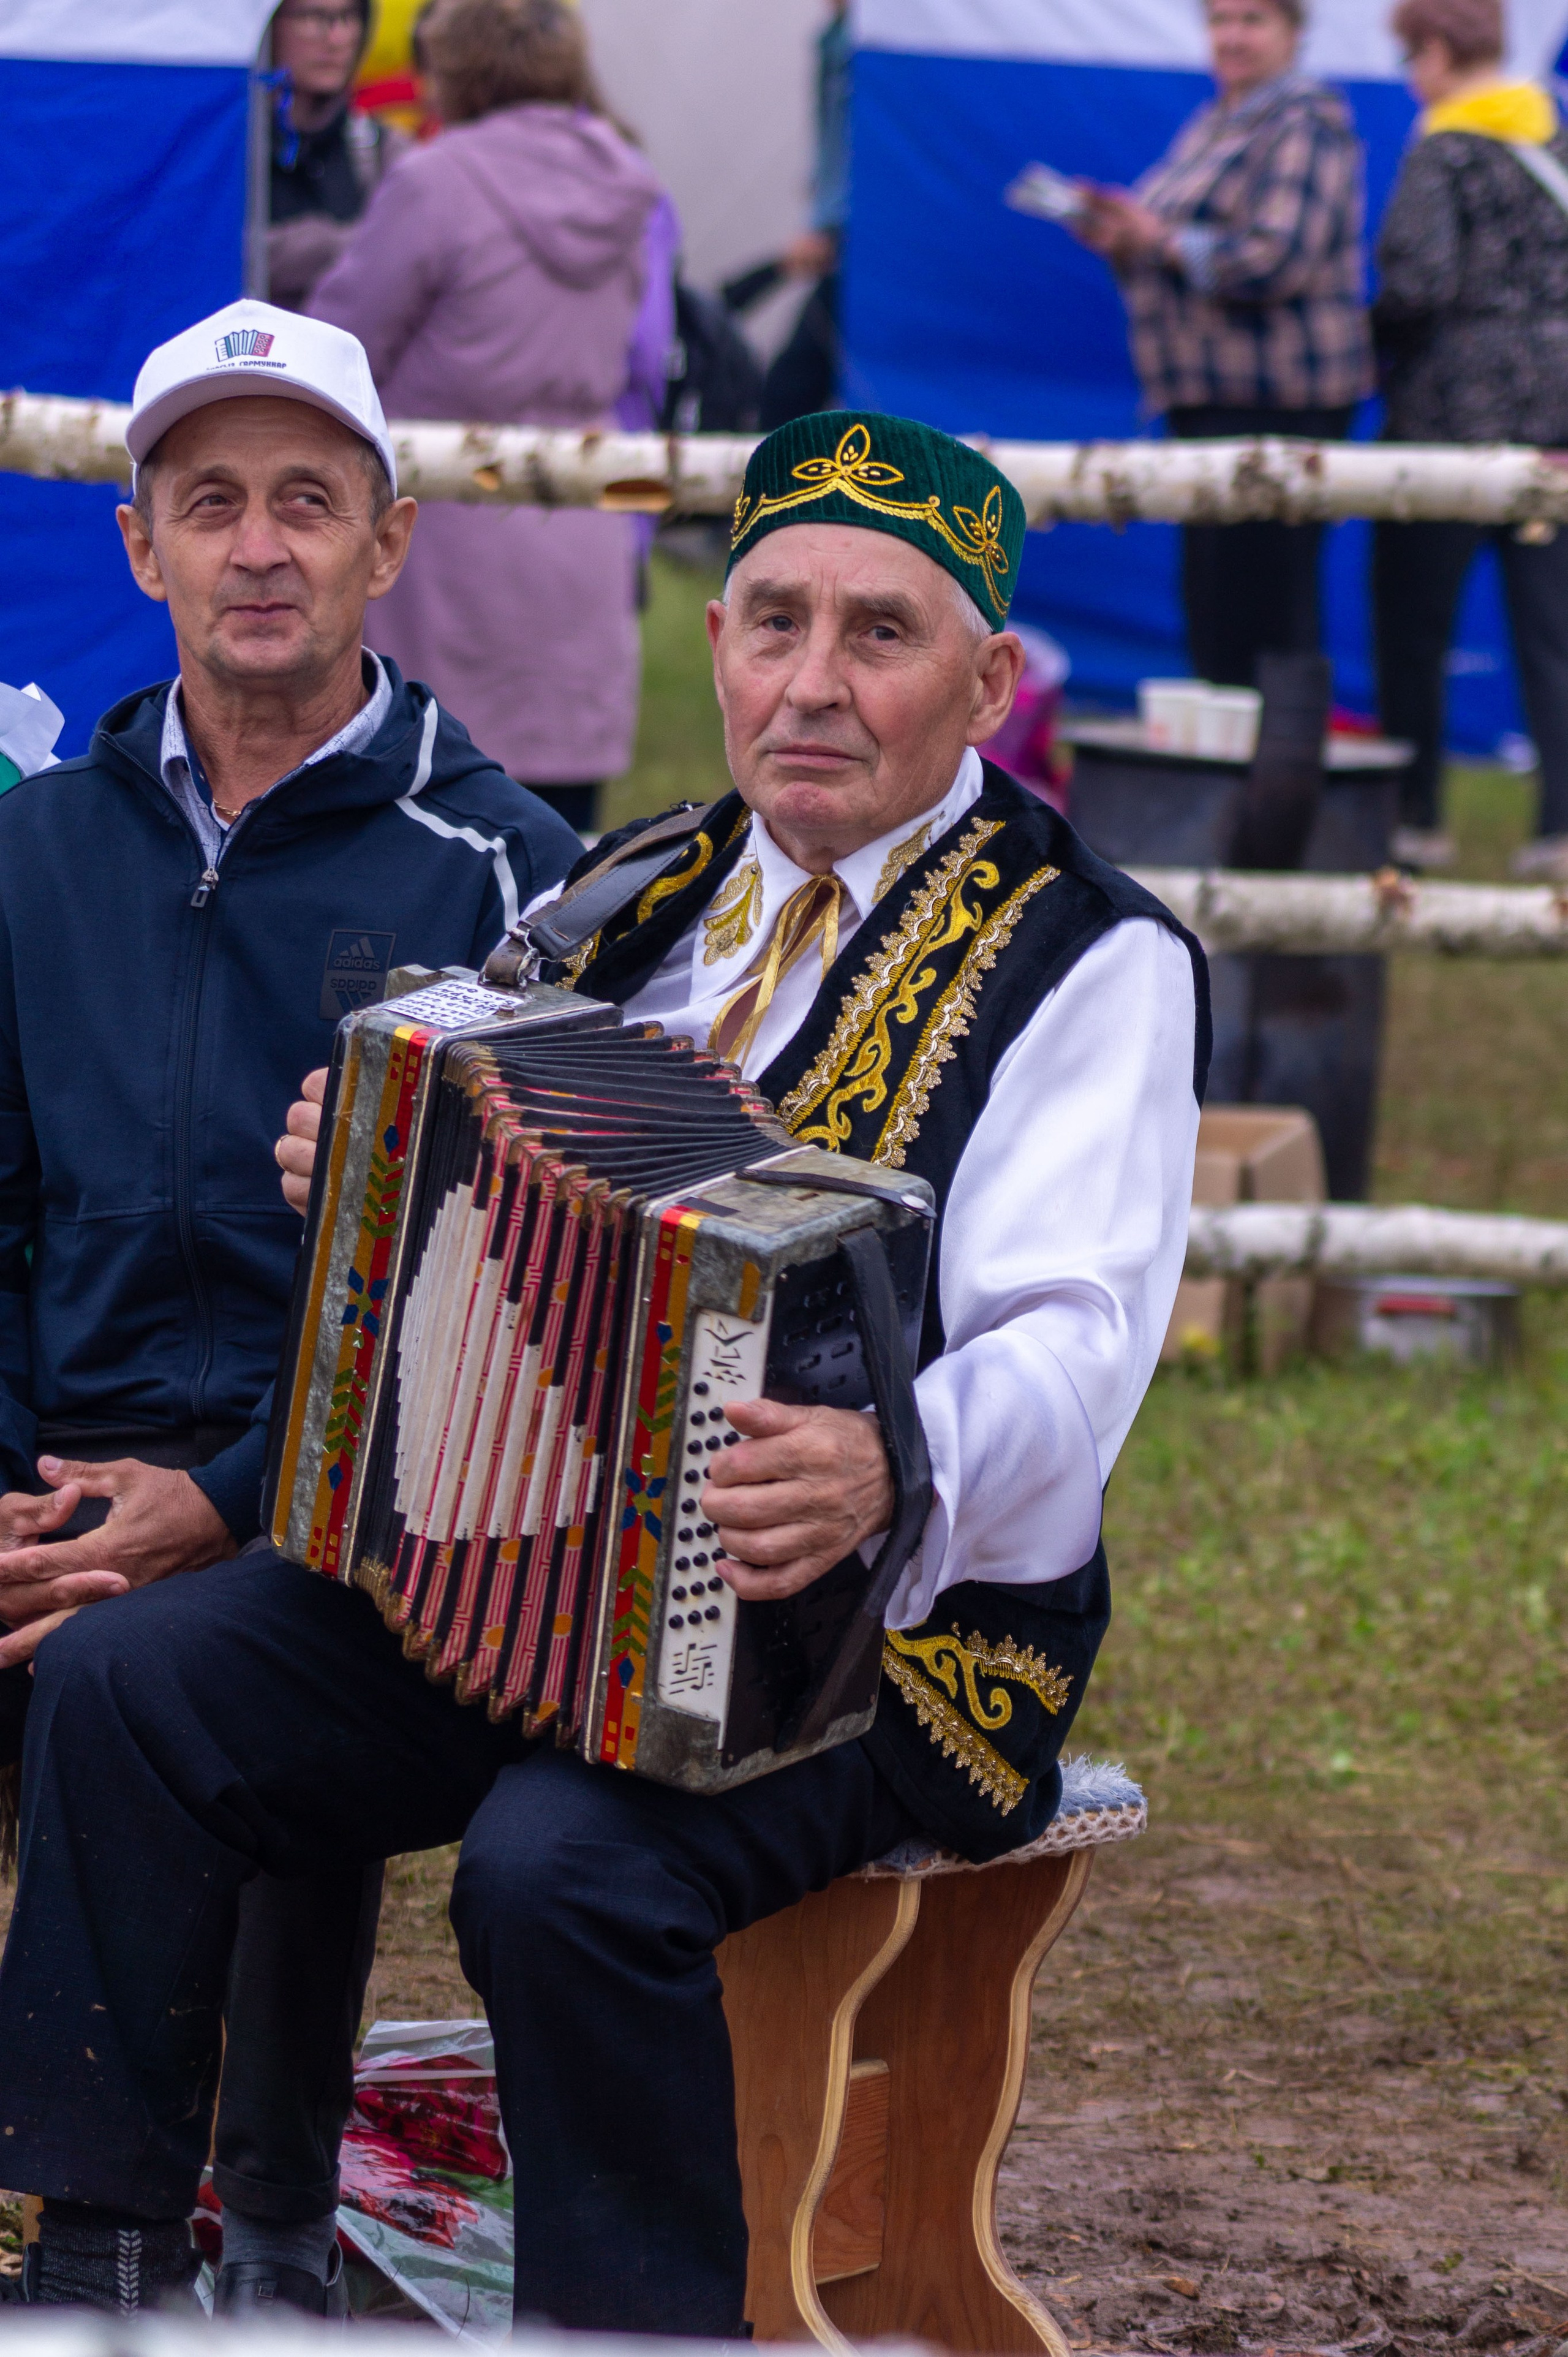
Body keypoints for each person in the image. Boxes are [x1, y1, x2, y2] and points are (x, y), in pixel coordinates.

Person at [1, 408, 1207, 2328]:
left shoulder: (1085, 957)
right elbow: (478, 1187)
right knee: (138, 1683)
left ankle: (629, 2326)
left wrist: (890, 1459)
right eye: (776, 624)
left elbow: (1072, 1350)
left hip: (886, 1645)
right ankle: (109, 2266)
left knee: (559, 1866)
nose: (813, 684)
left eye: (878, 636)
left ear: (984, 679)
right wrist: (364, 1166)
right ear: (712, 637)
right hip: (540, 1578)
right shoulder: (634, 896)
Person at [0, 295, 579, 2313]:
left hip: (366, 1521)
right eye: (213, 500)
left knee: (190, 1650)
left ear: (387, 544)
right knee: (112, 1630)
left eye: (308, 502)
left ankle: (184, 2238)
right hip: (55, 1473)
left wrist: (230, 1490)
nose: (261, 545)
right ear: (140, 543)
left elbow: (517, 1314)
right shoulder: (32, 849)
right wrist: (23, 1486)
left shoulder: (511, 878)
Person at [310, 0, 666, 839]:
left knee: (422, 846)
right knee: (555, 862)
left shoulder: (435, 180)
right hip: (582, 524)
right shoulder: (628, 179)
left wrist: (299, 257)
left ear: (457, 69)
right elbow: (647, 351)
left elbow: (339, 346)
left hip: (451, 536)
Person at [1070, 0, 1373, 688]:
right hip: (1206, 397)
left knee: (1267, 611)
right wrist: (1123, 237)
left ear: (1294, 33)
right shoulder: (1217, 119)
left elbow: (1277, 258)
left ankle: (1286, 780)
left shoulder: (1306, 119)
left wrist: (1159, 240)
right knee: (1215, 607)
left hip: (1280, 403)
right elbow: (1176, 247)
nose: (1231, 36)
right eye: (1220, 20)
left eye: (1252, 20)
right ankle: (1234, 774)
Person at [1372, 0, 1568, 878]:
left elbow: (1418, 281)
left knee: (1415, 627)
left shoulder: (1443, 146)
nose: (1411, 76)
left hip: (1447, 424)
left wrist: (1380, 346)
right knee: (1554, 636)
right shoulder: (1553, 142)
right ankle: (1559, 831)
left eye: (1412, 57)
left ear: (1441, 51)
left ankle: (1416, 821)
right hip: (1555, 428)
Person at [268, 0, 410, 312]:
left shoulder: (382, 149)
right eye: (311, 18)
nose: (336, 39)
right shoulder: (235, 153)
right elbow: (219, 254)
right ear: (270, 27)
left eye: (348, 18)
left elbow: (414, 251)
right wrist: (354, 245)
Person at [760, 0, 852, 431]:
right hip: (840, 234)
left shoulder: (861, 47)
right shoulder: (836, 38)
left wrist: (830, 223)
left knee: (788, 394)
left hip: (851, 240)